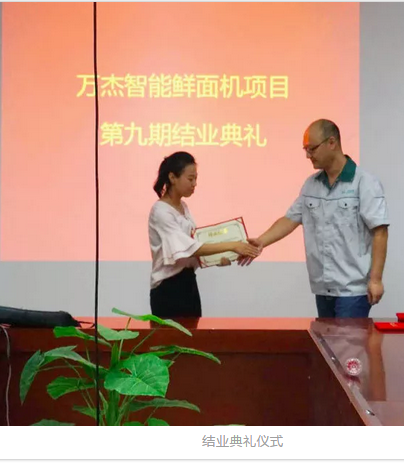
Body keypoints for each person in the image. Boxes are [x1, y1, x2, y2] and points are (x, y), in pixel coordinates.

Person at [240, 119, 389, 318]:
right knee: (325, 338)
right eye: (306, 150)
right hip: (323, 288)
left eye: (312, 149)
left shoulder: (365, 182)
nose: (308, 155)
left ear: (332, 142)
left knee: (346, 339)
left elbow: (380, 232)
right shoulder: (311, 184)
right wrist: (261, 242)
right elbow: (290, 219)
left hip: (353, 289)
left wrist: (376, 279)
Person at [149, 151, 260, 318]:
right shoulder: (161, 211)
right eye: (190, 179)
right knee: (172, 335)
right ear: (172, 177)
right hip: (167, 288)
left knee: (193, 334)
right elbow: (188, 248)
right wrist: (232, 245)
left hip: (188, 283)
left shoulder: (183, 206)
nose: (194, 184)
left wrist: (218, 258)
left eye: (196, 179)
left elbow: (194, 245)